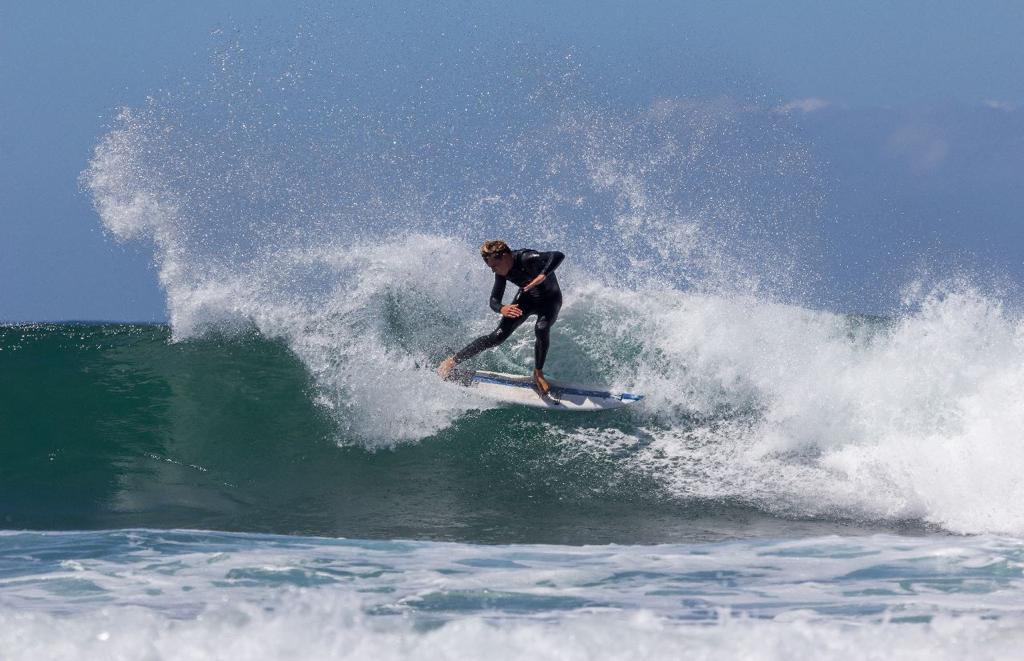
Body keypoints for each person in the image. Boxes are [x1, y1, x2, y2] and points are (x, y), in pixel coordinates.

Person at [438, 240, 564, 395]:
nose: (493, 271)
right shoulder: (501, 273)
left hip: (550, 301)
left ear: (505, 257)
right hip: (527, 300)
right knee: (497, 336)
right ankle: (452, 361)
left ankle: (538, 372)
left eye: (494, 266)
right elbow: (494, 300)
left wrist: (542, 276)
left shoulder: (527, 257)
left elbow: (558, 255)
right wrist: (502, 308)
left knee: (541, 328)